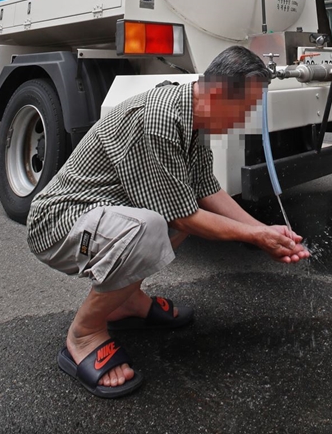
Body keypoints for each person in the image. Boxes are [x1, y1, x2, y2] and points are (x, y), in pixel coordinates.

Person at [26, 45, 309, 399]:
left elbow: (205, 189)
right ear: (218, 93)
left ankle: (126, 302)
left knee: (164, 220)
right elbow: (184, 215)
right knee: (153, 226)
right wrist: (255, 237)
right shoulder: (159, 118)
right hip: (59, 223)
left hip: (100, 216)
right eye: (245, 107)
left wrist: (263, 230)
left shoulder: (193, 116)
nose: (246, 119)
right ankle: (84, 333)